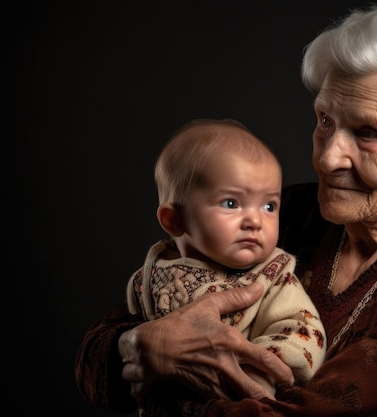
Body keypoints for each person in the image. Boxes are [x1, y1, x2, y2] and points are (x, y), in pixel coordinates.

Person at [75, 1, 377, 416]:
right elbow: (100, 352)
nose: (327, 159)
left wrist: (160, 372)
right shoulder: (282, 213)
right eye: (324, 120)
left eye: (367, 132)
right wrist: (139, 346)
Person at [125, 118, 326, 403]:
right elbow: (130, 342)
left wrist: (253, 375)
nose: (255, 220)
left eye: (269, 206)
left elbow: (300, 329)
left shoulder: (272, 278)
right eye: (231, 203)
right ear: (174, 220)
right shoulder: (150, 276)